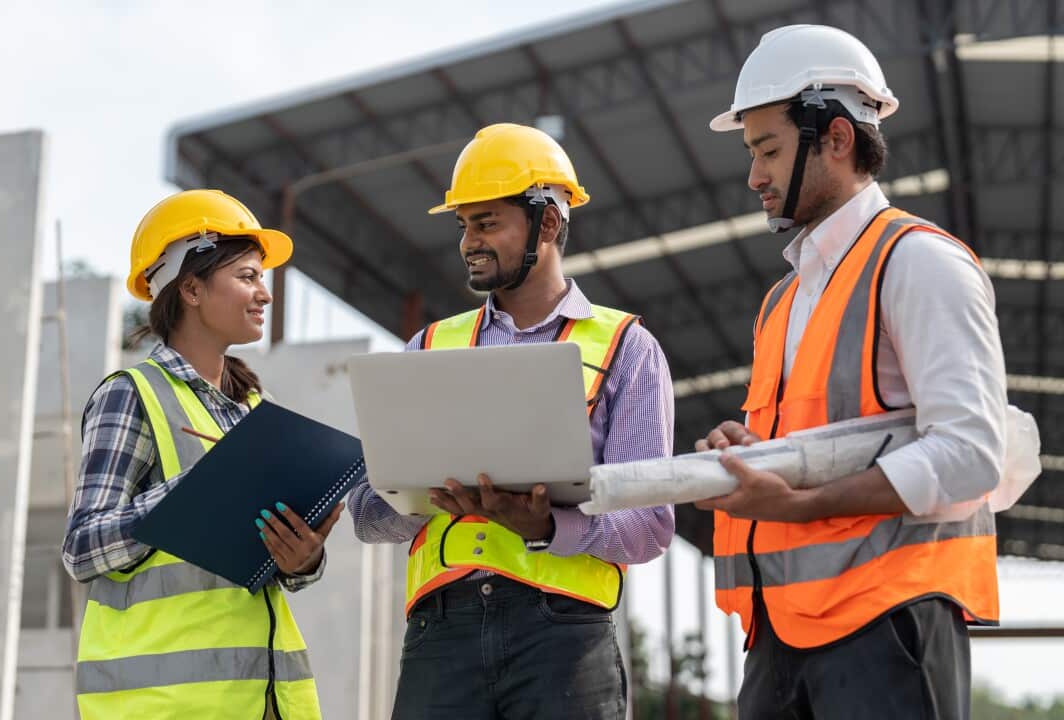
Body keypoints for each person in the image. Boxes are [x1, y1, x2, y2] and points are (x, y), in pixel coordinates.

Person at [696, 24, 1004, 719]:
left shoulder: (919, 262)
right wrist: (751, 454)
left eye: (768, 150)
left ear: (836, 138)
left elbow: (971, 453)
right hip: (779, 636)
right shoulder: (784, 298)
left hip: (887, 625)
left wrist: (799, 505)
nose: (755, 177)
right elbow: (812, 439)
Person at [349, 123, 676, 720]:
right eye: (464, 225)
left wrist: (550, 525)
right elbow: (366, 514)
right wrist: (427, 497)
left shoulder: (626, 349)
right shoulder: (427, 347)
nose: (468, 241)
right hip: (440, 635)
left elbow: (651, 522)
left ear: (547, 224)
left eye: (487, 222)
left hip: (564, 635)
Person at [62, 189, 342, 719]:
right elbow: (82, 548)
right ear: (191, 288)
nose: (265, 294)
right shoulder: (131, 393)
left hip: (267, 703)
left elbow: (265, 573)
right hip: (170, 706)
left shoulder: (256, 410)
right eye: (248, 277)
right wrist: (193, 491)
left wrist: (303, 558)